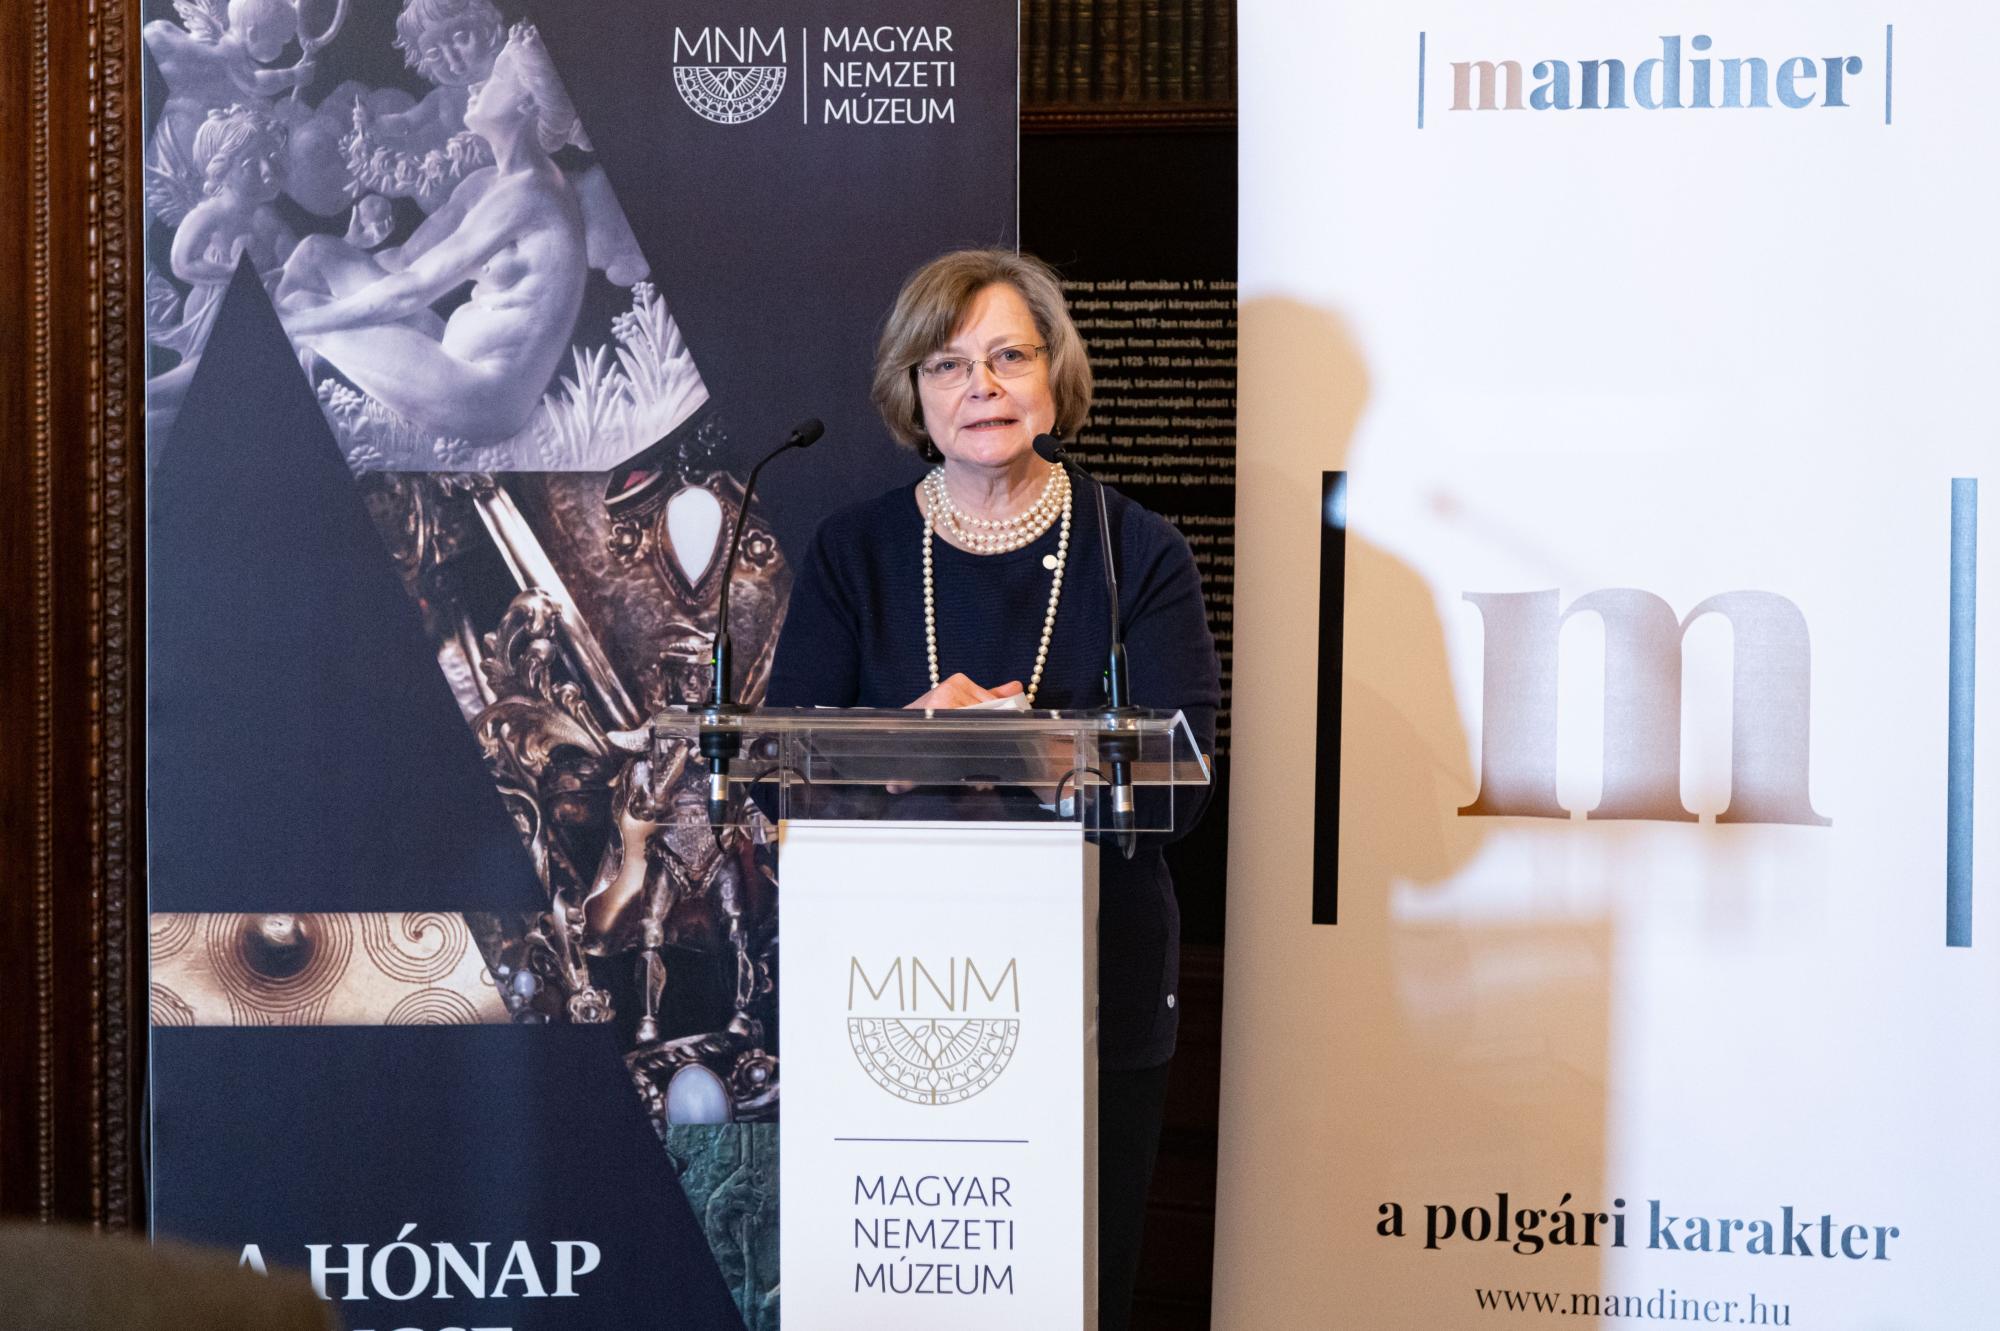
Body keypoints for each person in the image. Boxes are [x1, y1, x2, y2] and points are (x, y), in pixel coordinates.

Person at [764, 248, 1221, 1330]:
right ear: (913, 394)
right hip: (884, 990)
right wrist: (912, 736)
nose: (981, 386)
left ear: (1054, 379)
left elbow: (1182, 790)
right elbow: (781, 779)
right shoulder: (853, 552)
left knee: (1077, 1287)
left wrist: (1023, 745)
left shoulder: (1137, 549)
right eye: (948, 364)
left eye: (1009, 356)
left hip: (1097, 988)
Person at [275, 20, 589, 445]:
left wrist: (295, 323)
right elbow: (407, 262)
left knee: (302, 310)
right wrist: (355, 245)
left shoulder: (531, 192)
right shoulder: (490, 183)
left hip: (480, 398)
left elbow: (411, 290)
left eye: (496, 77)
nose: (477, 83)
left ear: (526, 104)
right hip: (454, 362)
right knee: (319, 253)